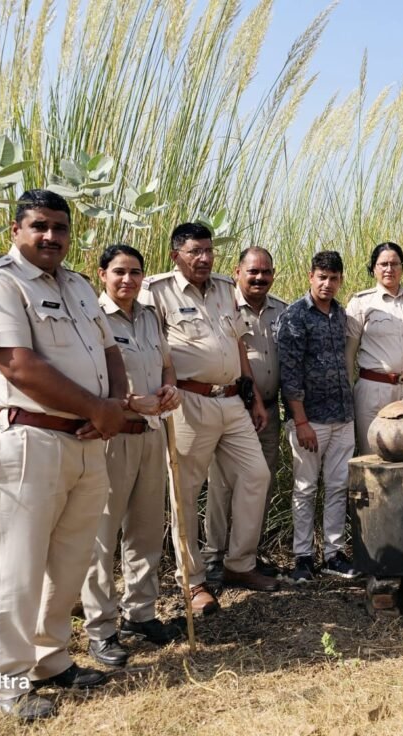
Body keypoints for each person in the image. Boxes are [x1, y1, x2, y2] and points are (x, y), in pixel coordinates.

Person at [0, 189, 134, 720]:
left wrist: (110, 406)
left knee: (70, 559)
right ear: (15, 230)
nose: (50, 237)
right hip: (25, 440)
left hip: (83, 440)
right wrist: (99, 411)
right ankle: (1, 681)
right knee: (16, 565)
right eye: (39, 226)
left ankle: (50, 660)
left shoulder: (80, 287)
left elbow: (109, 350)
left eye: (60, 228)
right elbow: (18, 365)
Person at [140, 223, 276, 616]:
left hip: (232, 400)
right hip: (187, 402)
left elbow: (237, 343)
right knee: (185, 491)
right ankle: (193, 580)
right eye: (194, 252)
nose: (203, 259)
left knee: (256, 475)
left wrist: (252, 397)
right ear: (175, 255)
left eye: (208, 251)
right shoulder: (157, 290)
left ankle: (239, 564)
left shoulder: (223, 288)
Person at [80, 244, 183, 669]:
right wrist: (126, 403)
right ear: (102, 274)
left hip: (152, 434)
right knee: (103, 537)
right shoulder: (91, 318)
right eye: (119, 272)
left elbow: (166, 365)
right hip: (113, 437)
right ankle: (101, 629)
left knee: (145, 528)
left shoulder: (149, 316)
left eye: (135, 272)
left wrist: (170, 388)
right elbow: (89, 378)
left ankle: (140, 613)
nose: (128, 280)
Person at [203, 247, 288, 584]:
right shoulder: (223, 307)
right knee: (222, 485)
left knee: (260, 484)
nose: (259, 278)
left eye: (266, 272)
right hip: (232, 408)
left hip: (268, 411)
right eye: (253, 272)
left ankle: (245, 557)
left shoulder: (281, 310)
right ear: (237, 271)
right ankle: (213, 557)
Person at [276, 251, 360, 582]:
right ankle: (303, 557)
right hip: (310, 420)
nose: (327, 284)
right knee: (306, 487)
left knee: (338, 485)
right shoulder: (295, 316)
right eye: (321, 277)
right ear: (310, 276)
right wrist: (300, 421)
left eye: (334, 278)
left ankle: (334, 554)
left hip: (343, 415)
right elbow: (289, 374)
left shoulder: (341, 315)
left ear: (341, 280)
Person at [346, 242, 403, 454]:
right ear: (373, 268)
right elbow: (349, 354)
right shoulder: (361, 302)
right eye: (383, 264)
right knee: (374, 455)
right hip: (375, 391)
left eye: (395, 264)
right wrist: (348, 391)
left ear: (402, 267)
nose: (389, 269)